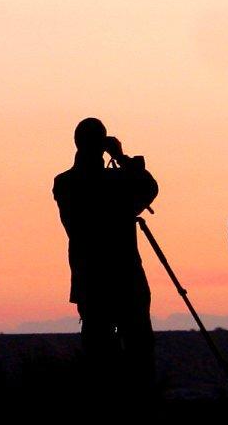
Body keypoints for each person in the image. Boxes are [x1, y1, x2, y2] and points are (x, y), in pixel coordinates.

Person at [52, 117, 159, 398]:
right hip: (125, 277)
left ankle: (103, 410)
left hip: (91, 278)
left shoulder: (65, 183)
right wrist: (121, 157)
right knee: (138, 351)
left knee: (98, 353)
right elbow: (149, 190)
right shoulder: (116, 182)